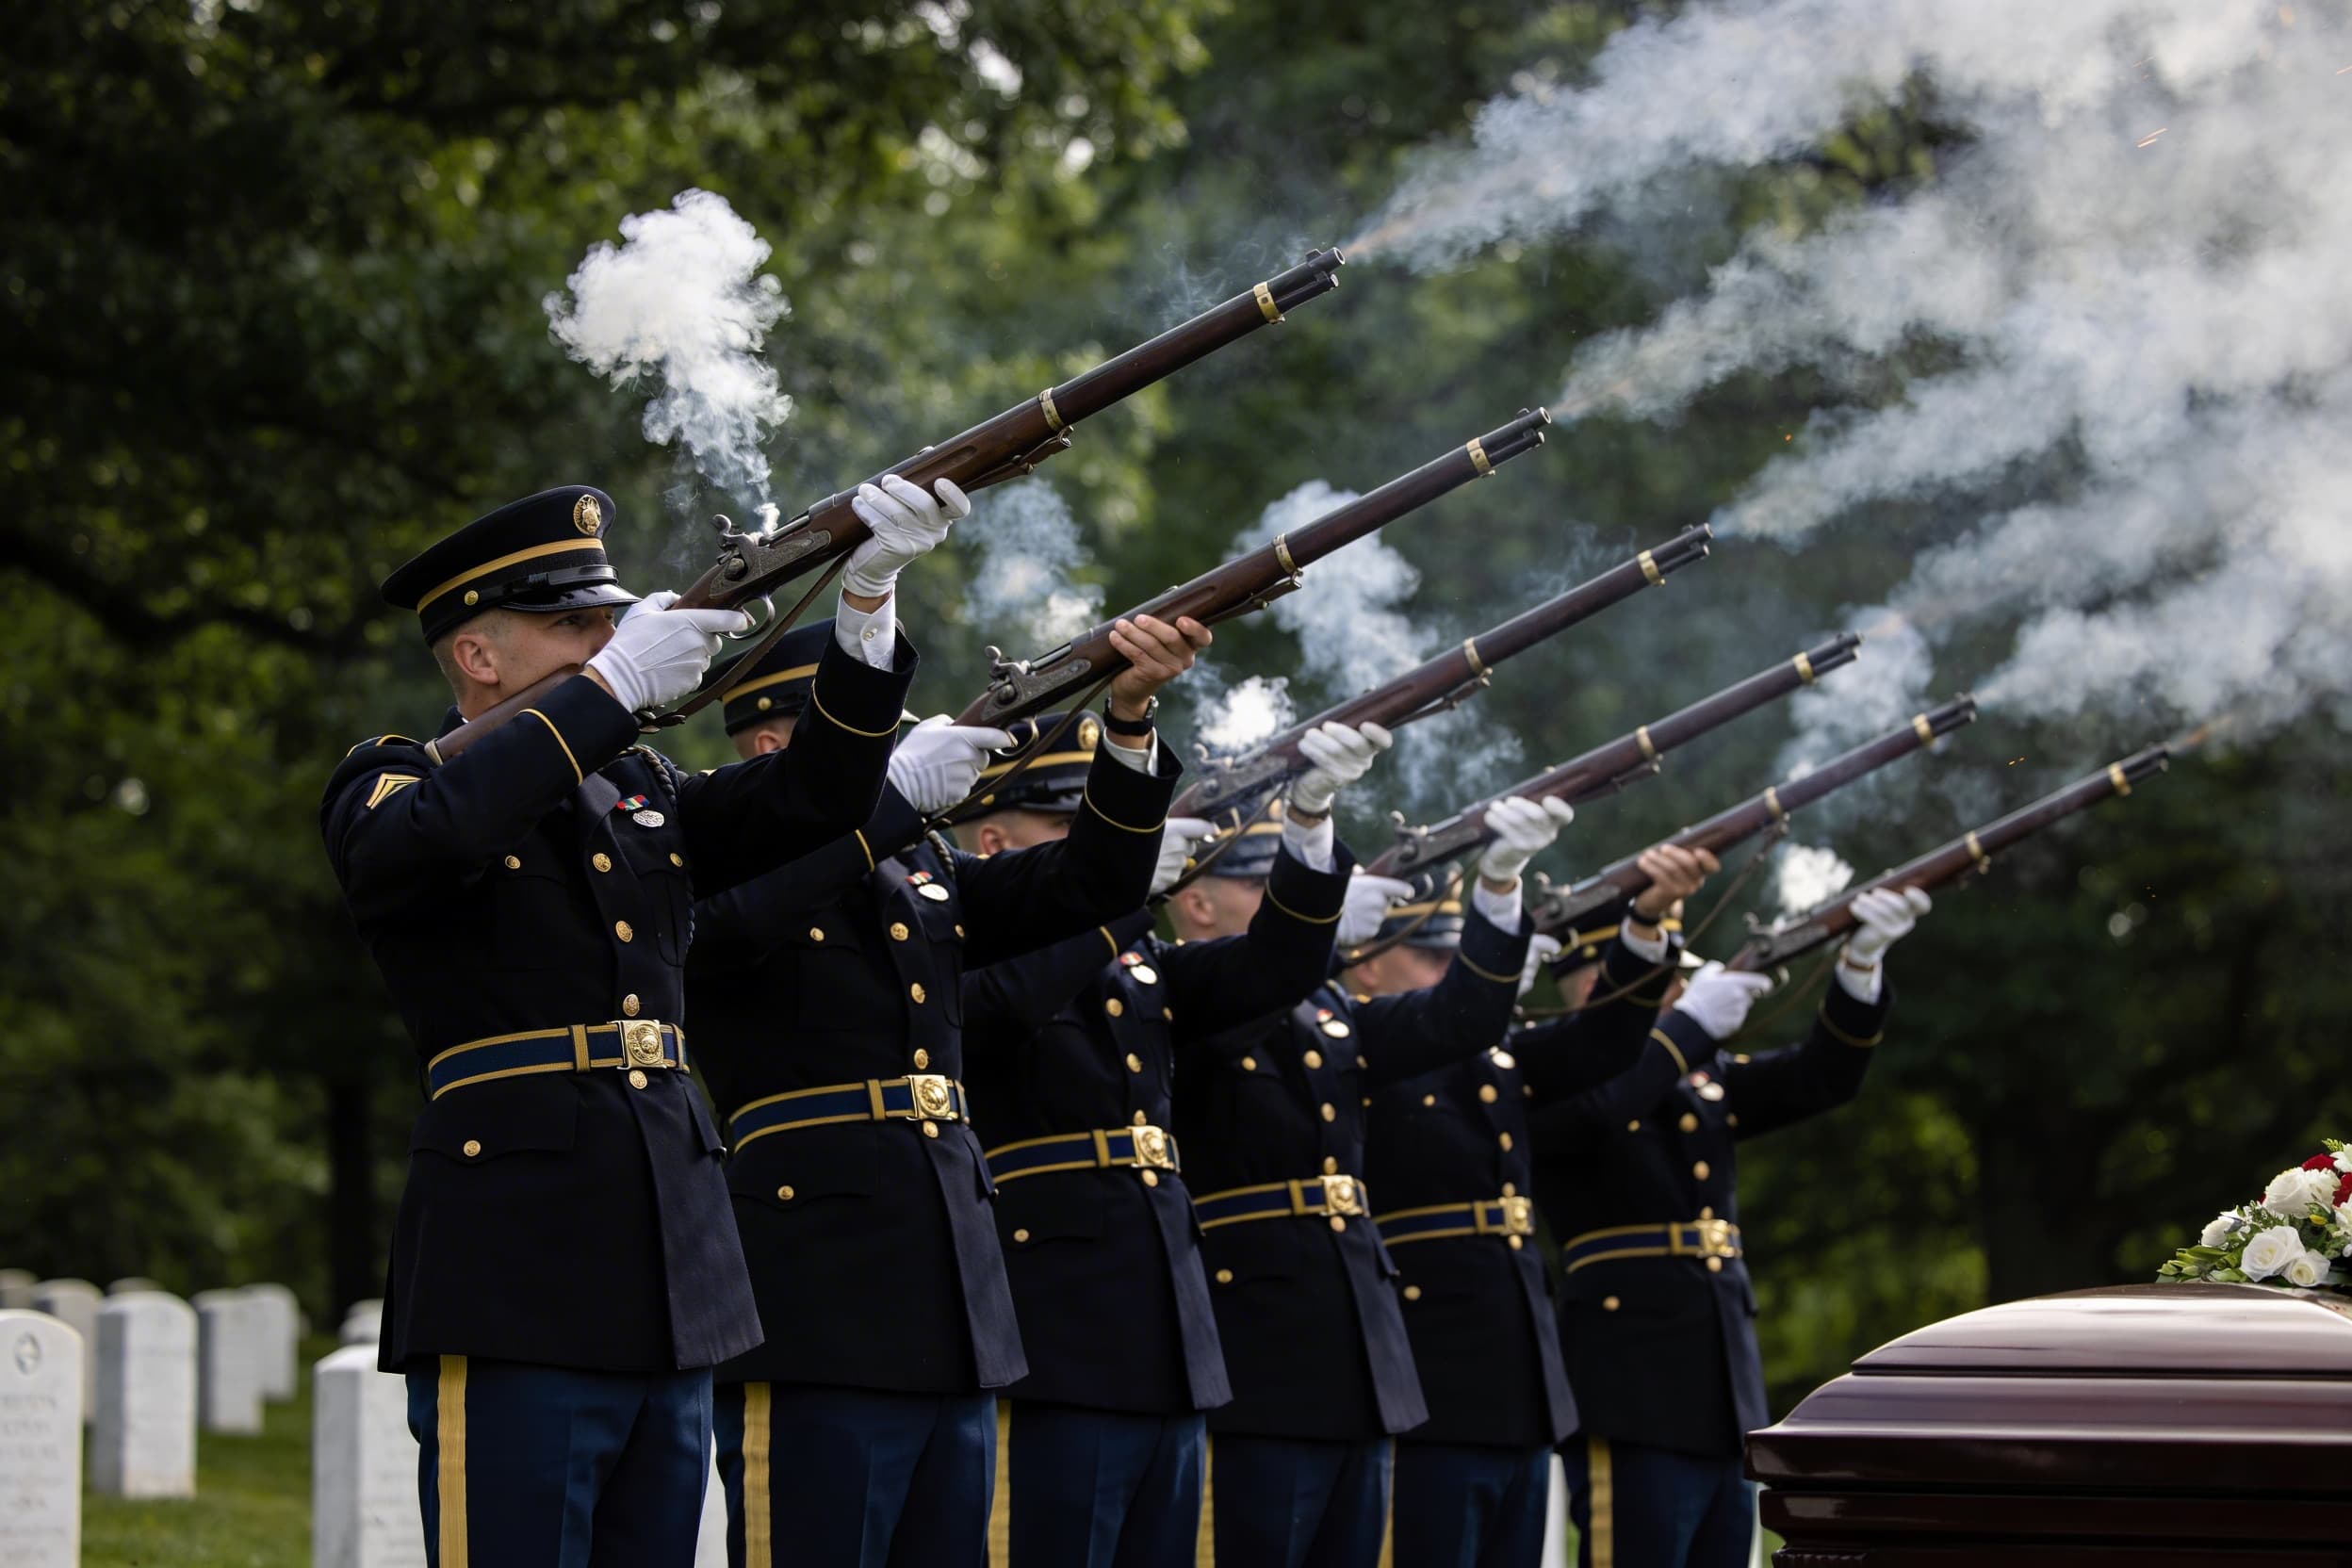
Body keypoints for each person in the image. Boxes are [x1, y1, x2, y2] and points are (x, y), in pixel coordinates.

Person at [321, 475, 959, 1566]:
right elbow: (434, 835)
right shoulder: (394, 781)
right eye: (572, 625)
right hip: (517, 1269)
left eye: (608, 624)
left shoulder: (641, 790)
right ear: (478, 656)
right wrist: (609, 687)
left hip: (675, 1268)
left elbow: (812, 801)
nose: (606, 641)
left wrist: (867, 607)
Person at [685, 609, 1211, 1568]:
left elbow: (1089, 884)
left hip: (954, 1295)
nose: (884, 754)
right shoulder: (723, 846)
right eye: (855, 732)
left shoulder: (921, 867)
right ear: (771, 745)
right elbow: (722, 935)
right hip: (822, 1297)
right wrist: (882, 805)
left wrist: (1128, 721)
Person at [958, 725, 1393, 1568]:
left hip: (1171, 1334)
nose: (1103, 851)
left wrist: (1309, 824)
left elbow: (1276, 969)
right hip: (1059, 1335)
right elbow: (1003, 1008)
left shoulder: (1139, 964)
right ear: (992, 842)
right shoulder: (967, 939)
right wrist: (1116, 901)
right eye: (1078, 832)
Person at [1177, 796, 1573, 1568]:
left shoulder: (1326, 1012)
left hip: (1355, 1366)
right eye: (1268, 887)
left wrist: (1497, 890)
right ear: (1195, 902)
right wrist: (1316, 936)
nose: (1289, 904)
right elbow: (1232, 1013)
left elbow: (1463, 1019)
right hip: (1258, 1367)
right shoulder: (1178, 996)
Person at [1532, 888, 1933, 1568]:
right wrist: (1686, 1027)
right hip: (1631, 1386)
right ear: (1600, 982)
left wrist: (1857, 970)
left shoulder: (1694, 1072)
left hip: (1718, 1385)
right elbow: (1604, 1109)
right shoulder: (1550, 1067)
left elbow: (1819, 1080)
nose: (1685, 988)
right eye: (1668, 979)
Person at [1363, 845, 1719, 1567]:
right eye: (1439, 961)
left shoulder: (1495, 1059)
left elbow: (1604, 1041)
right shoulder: (1358, 1049)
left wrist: (1645, 926)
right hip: (1430, 1388)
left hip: (1519, 1388)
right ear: (1367, 962)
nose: (1456, 981)